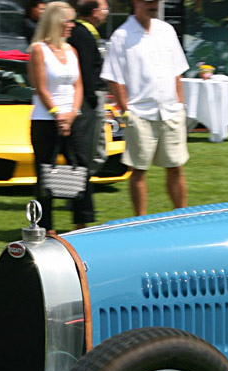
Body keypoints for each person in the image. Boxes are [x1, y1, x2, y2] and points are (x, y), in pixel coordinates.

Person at [101, 0, 190, 216]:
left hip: (170, 110)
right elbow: (115, 78)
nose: (153, 5)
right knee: (139, 171)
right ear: (136, 2)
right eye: (148, 2)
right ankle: (140, 221)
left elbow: (177, 70)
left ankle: (183, 216)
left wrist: (179, 103)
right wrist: (126, 111)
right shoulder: (121, 36)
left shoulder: (167, 30)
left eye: (156, 2)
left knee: (176, 167)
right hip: (139, 113)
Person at [29, 2, 89, 233]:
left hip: (73, 118)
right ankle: (46, 226)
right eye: (68, 21)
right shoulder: (38, 50)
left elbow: (79, 85)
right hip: (45, 120)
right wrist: (57, 114)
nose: (72, 26)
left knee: (80, 167)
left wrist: (72, 113)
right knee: (46, 172)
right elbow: (41, 88)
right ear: (55, 22)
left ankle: (81, 221)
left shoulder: (71, 51)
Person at [68, 0, 109, 177]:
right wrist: (91, 97)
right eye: (105, 9)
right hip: (88, 97)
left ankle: (83, 184)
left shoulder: (87, 32)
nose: (107, 13)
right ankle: (79, 188)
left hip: (92, 95)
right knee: (88, 145)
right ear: (95, 12)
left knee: (98, 147)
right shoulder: (82, 33)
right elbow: (84, 69)